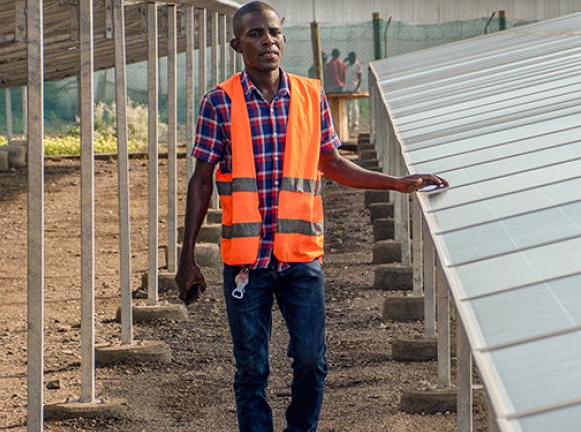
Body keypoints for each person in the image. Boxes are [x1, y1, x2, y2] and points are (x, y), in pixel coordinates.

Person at [176, 3, 448, 432]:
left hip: (300, 259)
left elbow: (333, 165)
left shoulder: (309, 94)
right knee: (252, 370)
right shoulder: (220, 103)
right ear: (236, 44)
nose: (267, 40)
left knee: (311, 361)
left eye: (274, 32)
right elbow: (201, 181)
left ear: (284, 39)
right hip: (246, 263)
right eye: (255, 35)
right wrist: (186, 258)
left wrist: (394, 182)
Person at [344, 52, 363, 131]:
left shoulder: (358, 66)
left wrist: (356, 89)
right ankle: (348, 123)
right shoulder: (347, 65)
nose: (350, 59)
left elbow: (360, 79)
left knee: (355, 106)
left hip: (354, 88)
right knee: (348, 107)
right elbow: (342, 70)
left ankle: (355, 123)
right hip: (348, 88)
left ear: (354, 57)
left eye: (351, 57)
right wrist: (344, 62)